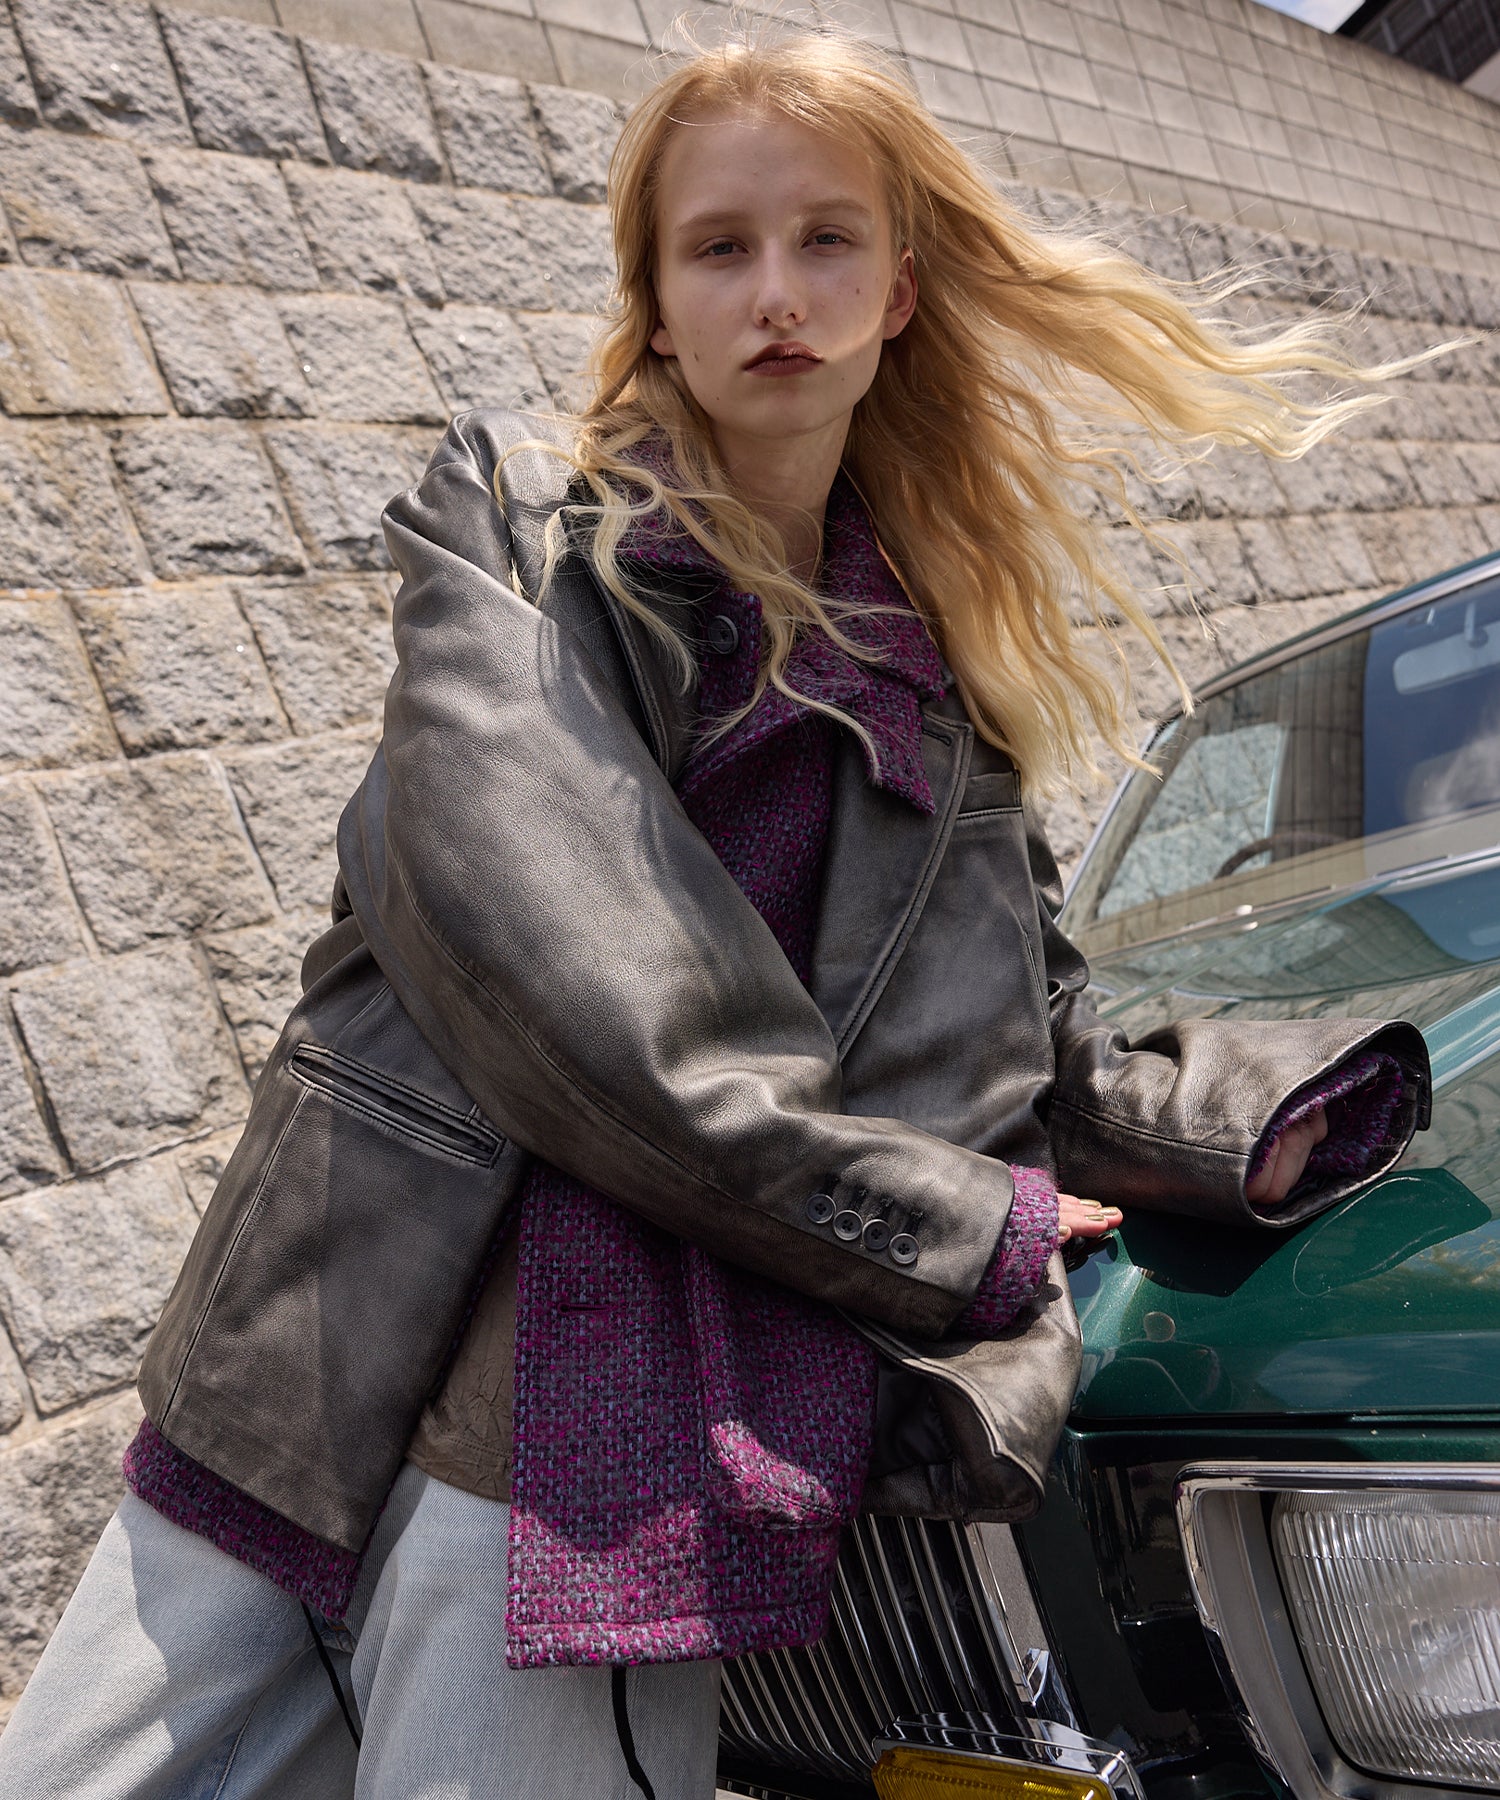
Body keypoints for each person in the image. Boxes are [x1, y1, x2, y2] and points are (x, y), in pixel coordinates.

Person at [0, 26, 1428, 1800]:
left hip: (602, 1447)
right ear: (657, 305)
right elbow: (596, 1013)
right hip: (333, 1344)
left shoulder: (934, 680)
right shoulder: (513, 537)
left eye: (827, 240)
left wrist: (1244, 1125)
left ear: (899, 293)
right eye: (720, 247)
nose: (776, 293)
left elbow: (1012, 1041)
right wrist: (957, 1226)